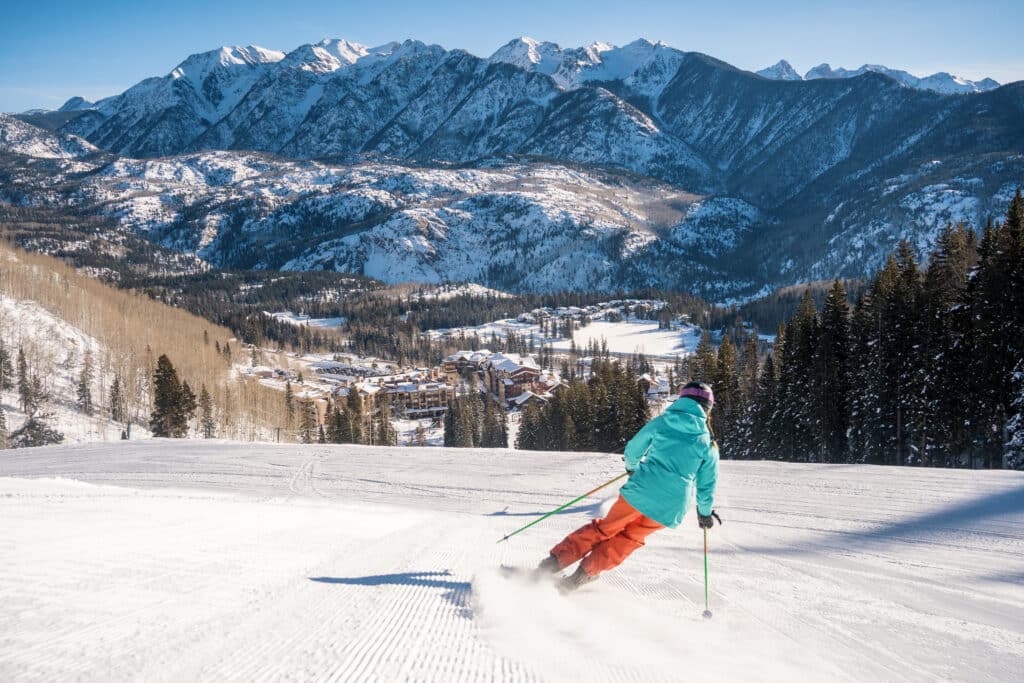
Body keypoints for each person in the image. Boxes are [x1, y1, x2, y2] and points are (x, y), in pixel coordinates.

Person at [538, 381, 721, 591]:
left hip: (640, 490)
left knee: (605, 529)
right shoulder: (708, 443)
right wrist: (704, 514)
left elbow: (634, 449)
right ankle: (582, 576)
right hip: (671, 506)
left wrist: (633, 468)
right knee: (629, 538)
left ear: (681, 400)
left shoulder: (662, 422)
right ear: (707, 409)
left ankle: (552, 565)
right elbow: (707, 486)